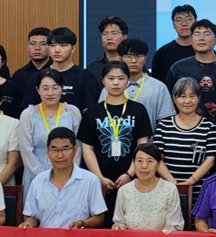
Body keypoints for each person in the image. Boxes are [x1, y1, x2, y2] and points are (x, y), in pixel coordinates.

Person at [79, 61, 154, 212]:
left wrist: (129, 174)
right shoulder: (92, 113)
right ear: (103, 80)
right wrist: (99, 177)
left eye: (121, 78)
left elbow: (142, 146)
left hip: (132, 178)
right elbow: (87, 148)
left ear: (128, 80)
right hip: (99, 180)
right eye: (110, 78)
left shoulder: (138, 110)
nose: (115, 83)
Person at [153, 78, 216, 193]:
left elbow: (210, 160)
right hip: (168, 190)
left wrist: (190, 182)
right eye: (182, 96)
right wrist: (174, 184)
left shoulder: (208, 127)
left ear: (198, 98)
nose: (187, 101)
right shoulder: (164, 126)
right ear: (174, 99)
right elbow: (157, 159)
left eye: (192, 96)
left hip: (199, 192)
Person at [167, 20, 216, 123]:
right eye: (197, 34)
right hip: (186, 128)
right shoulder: (177, 68)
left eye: (206, 34)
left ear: (215, 40)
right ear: (191, 40)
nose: (201, 38)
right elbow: (168, 103)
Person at [17, 69, 83, 181]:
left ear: (62, 89)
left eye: (55, 88)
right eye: (45, 88)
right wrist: (43, 178)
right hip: (35, 177)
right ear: (37, 90)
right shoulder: (28, 115)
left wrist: (69, 174)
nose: (50, 93)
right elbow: (26, 151)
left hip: (68, 176)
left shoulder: (73, 112)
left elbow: (78, 147)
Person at [37, 27, 101, 111]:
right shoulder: (38, 76)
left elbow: (89, 110)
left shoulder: (85, 77)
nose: (57, 50)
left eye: (63, 45)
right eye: (52, 45)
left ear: (73, 49)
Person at [117, 37, 174, 123]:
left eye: (138, 56)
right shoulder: (111, 87)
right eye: (129, 56)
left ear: (145, 59)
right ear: (120, 59)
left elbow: (166, 121)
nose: (133, 60)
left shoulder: (159, 87)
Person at [152, 5, 198, 83]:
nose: (184, 23)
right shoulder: (162, 53)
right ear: (173, 24)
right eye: (179, 20)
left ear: (196, 22)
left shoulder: (205, 51)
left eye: (188, 19)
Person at [9, 27, 52, 97]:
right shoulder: (19, 75)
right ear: (27, 47)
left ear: (50, 47)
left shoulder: (57, 71)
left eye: (43, 44)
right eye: (33, 44)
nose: (37, 48)